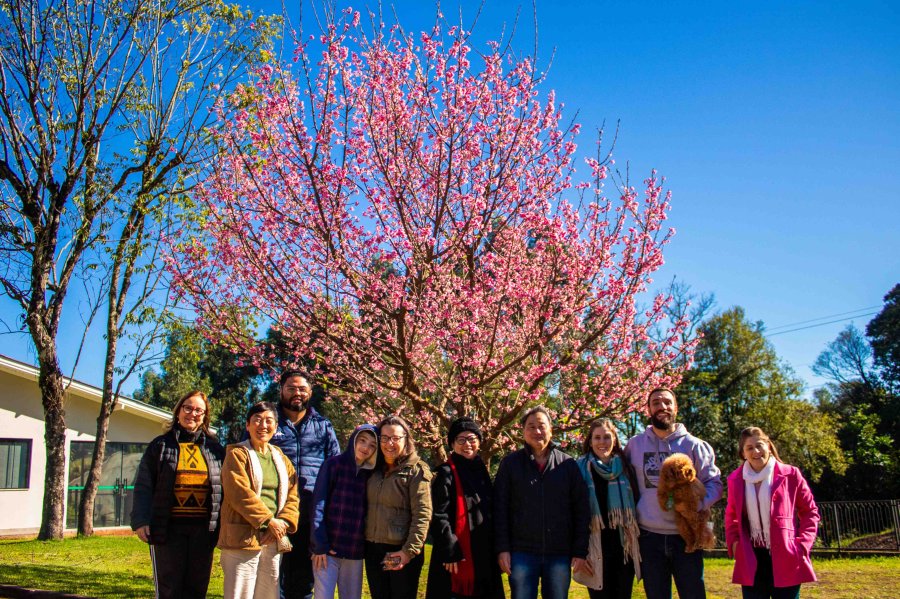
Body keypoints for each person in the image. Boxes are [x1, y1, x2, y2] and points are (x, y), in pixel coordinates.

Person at [624, 388, 723, 599]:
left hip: (685, 536)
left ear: (675, 408)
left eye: (667, 402)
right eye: (656, 402)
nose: (662, 407)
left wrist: (695, 507)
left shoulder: (695, 445)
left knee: (693, 594)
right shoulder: (635, 445)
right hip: (649, 537)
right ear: (648, 409)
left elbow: (715, 484)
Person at [131, 390, 225, 598]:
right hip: (168, 528)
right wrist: (141, 520)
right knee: (170, 588)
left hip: (204, 531)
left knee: (197, 587)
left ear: (205, 416)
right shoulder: (161, 445)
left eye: (199, 410)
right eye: (188, 408)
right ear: (178, 411)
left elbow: (223, 490)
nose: (192, 414)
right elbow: (144, 485)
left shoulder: (216, 449)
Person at [493, 406, 591, 599]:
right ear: (523, 431)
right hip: (521, 552)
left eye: (542, 426)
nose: (537, 431)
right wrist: (502, 549)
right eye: (531, 426)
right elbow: (500, 509)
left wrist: (580, 550)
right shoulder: (510, 464)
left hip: (559, 553)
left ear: (551, 430)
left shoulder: (567, 464)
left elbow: (581, 509)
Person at [267, 370, 340, 599]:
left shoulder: (323, 425)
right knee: (270, 578)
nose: (297, 393)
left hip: (310, 513)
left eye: (302, 388)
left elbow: (335, 467)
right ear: (281, 390)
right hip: (274, 513)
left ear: (310, 391)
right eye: (291, 388)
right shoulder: (268, 421)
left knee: (303, 580)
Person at [725, 427, 820, 599]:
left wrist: (803, 545)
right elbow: (731, 516)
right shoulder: (735, 480)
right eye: (749, 448)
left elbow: (810, 512)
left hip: (786, 556)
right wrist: (734, 544)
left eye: (759, 445)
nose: (756, 451)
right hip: (751, 557)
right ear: (743, 453)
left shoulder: (791, 474)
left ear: (768, 446)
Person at [219, 401, 300, 599]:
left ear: (276, 426)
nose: (263, 425)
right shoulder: (237, 454)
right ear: (247, 425)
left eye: (269, 421)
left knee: (268, 593)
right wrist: (268, 521)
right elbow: (239, 494)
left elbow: (293, 493)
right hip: (242, 537)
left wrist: (282, 524)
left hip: (273, 538)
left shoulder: (280, 457)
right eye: (257, 420)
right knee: (239, 592)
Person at [425, 417, 504, 599]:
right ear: (452, 444)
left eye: (472, 439)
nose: (467, 444)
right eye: (461, 440)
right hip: (454, 553)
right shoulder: (446, 472)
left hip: (483, 552)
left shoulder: (481, 469)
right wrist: (450, 549)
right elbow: (438, 514)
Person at [364, 415, 433, 599]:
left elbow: (423, 515)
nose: (389, 444)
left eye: (396, 438)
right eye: (385, 438)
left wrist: (408, 552)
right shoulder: (374, 469)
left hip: (400, 549)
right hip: (373, 549)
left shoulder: (416, 470)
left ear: (406, 440)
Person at [575, 418, 642, 599]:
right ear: (590, 441)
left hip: (623, 547)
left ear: (615, 439)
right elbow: (572, 512)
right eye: (597, 438)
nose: (602, 442)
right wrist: (579, 551)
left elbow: (637, 502)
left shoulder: (626, 467)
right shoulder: (579, 469)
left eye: (607, 437)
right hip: (595, 548)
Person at [310, 424, 379, 599]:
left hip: (354, 551)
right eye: (362, 441)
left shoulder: (371, 474)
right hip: (327, 551)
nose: (366, 448)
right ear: (353, 440)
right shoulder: (334, 464)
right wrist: (319, 545)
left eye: (372, 445)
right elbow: (318, 504)